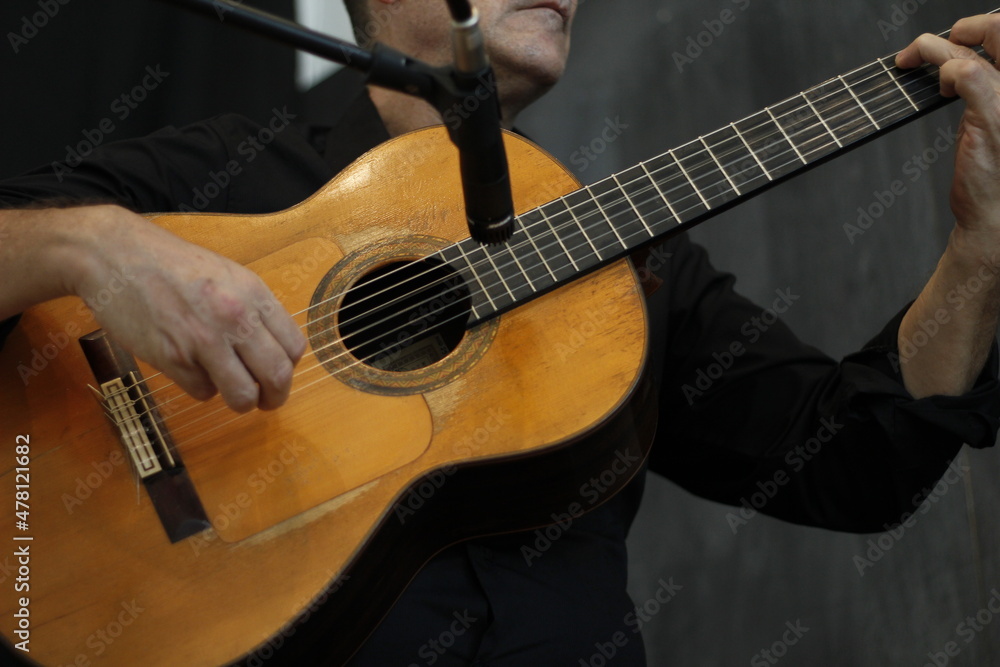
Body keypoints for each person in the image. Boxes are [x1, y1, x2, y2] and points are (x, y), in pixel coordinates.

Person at [2, 1, 1000, 664]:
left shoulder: (626, 254)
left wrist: (980, 253)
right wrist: (94, 248)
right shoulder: (212, 176)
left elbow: (855, 460)